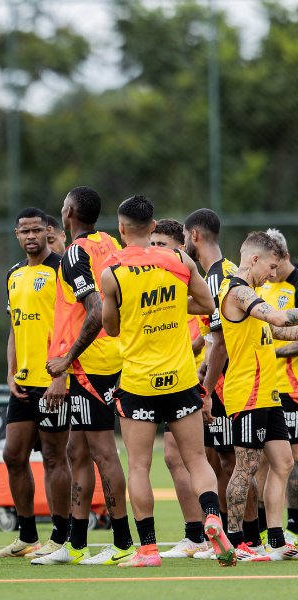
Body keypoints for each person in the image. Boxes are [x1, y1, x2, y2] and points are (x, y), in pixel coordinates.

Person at [99, 195, 231, 567]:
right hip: (181, 378)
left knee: (139, 465)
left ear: (122, 229)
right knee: (196, 460)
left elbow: (110, 327)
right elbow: (207, 305)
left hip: (139, 381)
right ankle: (211, 517)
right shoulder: (179, 259)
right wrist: (173, 305)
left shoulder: (111, 271)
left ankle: (148, 550)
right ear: (154, 226)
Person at [42, 186, 133, 566]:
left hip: (93, 366)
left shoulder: (75, 254)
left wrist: (67, 359)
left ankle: (123, 542)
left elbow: (95, 310)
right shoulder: (108, 242)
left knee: (103, 454)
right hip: (105, 360)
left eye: (63, 205)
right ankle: (76, 544)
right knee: (76, 451)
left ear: (70, 212)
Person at [0, 208, 70, 560]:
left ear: (49, 232)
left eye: (37, 230)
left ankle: (61, 537)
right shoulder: (14, 274)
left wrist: (62, 375)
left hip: (52, 381)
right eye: (25, 231)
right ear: (16, 235)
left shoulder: (63, 269)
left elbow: (74, 325)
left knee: (53, 457)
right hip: (23, 382)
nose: (31, 236)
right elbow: (15, 328)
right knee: (13, 455)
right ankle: (26, 535)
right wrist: (10, 372)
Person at [217, 231, 298, 560]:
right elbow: (278, 316)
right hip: (246, 394)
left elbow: (279, 330)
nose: (274, 274)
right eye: (272, 266)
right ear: (254, 259)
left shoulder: (253, 294)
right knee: (245, 467)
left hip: (268, 393)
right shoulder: (236, 291)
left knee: (284, 462)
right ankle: (237, 543)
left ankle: (276, 541)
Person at [149, 219, 212, 558]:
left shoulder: (189, 282)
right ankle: (198, 534)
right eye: (152, 245)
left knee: (210, 459)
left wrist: (191, 350)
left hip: (197, 382)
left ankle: (234, 533)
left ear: (181, 246)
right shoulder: (152, 284)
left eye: (162, 245)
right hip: (171, 379)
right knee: (175, 457)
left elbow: (214, 329)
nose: (155, 251)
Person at [184, 208, 237, 528]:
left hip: (228, 384)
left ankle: (240, 535)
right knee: (223, 460)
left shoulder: (217, 277)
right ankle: (235, 533)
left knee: (232, 462)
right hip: (224, 380)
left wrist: (206, 391)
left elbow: (220, 343)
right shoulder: (224, 270)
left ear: (194, 236)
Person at [262, 229, 298, 546]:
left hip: (291, 387)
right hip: (264, 387)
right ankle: (266, 529)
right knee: (264, 461)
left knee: (291, 460)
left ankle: (294, 526)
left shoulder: (295, 285)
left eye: (275, 264)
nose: (271, 272)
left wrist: (271, 351)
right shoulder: (258, 287)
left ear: (284, 256)